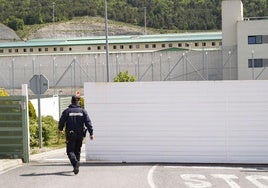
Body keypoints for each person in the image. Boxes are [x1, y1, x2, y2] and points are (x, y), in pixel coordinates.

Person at [58, 95, 94, 175]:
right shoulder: (83, 111)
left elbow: (61, 121)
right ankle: (76, 166)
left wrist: (60, 129)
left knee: (70, 151)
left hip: (70, 134)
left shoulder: (67, 111)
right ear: (78, 102)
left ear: (71, 101)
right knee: (77, 151)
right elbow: (88, 123)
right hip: (80, 134)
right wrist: (91, 133)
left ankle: (75, 163)